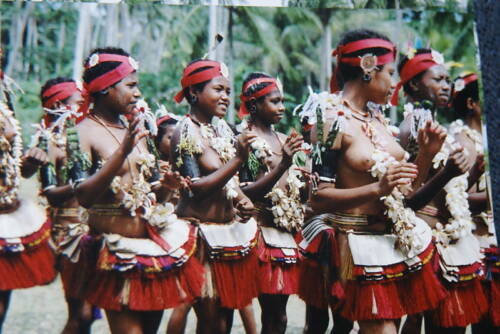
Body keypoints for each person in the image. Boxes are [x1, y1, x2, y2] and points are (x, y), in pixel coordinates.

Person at [297, 29, 454, 334]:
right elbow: (317, 197)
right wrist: (377, 188)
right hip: (355, 245)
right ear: (368, 68)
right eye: (392, 72)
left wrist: (424, 156)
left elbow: (405, 194)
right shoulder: (330, 121)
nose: (396, 82)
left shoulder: (379, 121)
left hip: (391, 244)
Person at [74, 47, 204, 334]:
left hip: (150, 248)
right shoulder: (81, 131)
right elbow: (83, 195)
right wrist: (122, 151)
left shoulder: (138, 129)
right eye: (130, 85)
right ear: (105, 87)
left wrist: (167, 188)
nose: (137, 93)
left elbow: (152, 194)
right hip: (113, 251)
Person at [396, 49, 488, 333]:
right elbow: (408, 198)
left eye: (448, 79)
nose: (446, 85)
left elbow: (449, 188)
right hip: (424, 241)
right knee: (422, 321)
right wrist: (449, 172)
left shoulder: (437, 125)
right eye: (438, 79)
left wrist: (471, 173)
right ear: (414, 85)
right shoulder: (412, 127)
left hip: (448, 239)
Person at [170, 59, 258, 334]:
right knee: (209, 321)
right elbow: (196, 187)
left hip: (226, 235)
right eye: (218, 89)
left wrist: (242, 200)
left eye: (228, 91)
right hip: (200, 239)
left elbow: (228, 182)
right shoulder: (185, 131)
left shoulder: (222, 129)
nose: (226, 97)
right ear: (194, 93)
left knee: (223, 323)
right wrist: (238, 159)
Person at [238, 72, 304, 334]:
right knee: (272, 313)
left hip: (285, 234)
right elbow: (248, 191)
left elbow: (290, 185)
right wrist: (284, 164)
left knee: (280, 317)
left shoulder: (280, 138)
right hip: (259, 234)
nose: (282, 107)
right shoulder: (246, 140)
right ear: (254, 105)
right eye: (275, 102)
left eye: (282, 101)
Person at [38, 77, 96, 333]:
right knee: (80, 313)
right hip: (69, 236)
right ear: (60, 104)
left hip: (96, 231)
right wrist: (83, 185)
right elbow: (51, 193)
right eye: (78, 102)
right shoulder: (50, 143)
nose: (84, 106)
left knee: (90, 314)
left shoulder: (88, 135)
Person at [0, 71, 56, 330]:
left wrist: (29, 164)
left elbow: (17, 169)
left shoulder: (5, 102)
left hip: (8, 216)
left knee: (2, 302)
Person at [450, 73, 499, 333]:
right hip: (477, 245)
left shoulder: (489, 137)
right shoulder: (463, 141)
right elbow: (455, 200)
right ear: (472, 104)